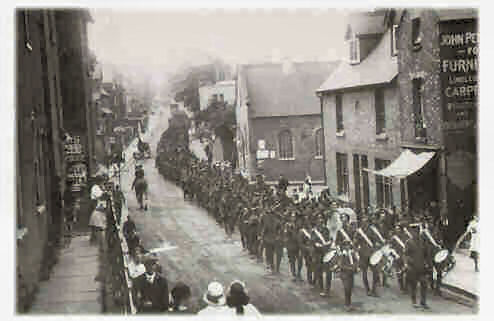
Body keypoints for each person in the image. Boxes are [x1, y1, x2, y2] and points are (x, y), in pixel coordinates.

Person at [405, 224, 430, 310]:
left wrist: (427, 263)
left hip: (422, 267)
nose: (416, 233)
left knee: (424, 284)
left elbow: (427, 254)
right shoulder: (408, 242)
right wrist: (408, 263)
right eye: (414, 231)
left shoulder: (423, 241)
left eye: (417, 231)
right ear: (411, 232)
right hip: (413, 267)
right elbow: (406, 255)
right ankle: (414, 301)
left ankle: (423, 302)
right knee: (414, 286)